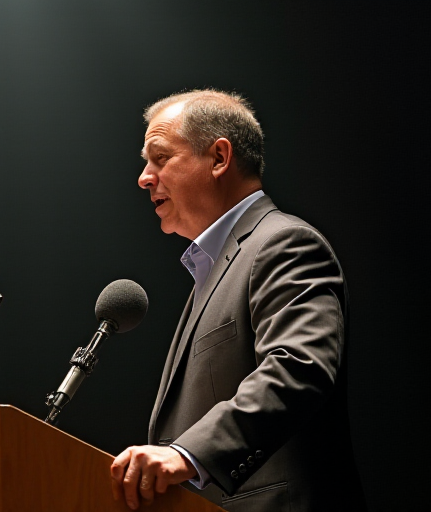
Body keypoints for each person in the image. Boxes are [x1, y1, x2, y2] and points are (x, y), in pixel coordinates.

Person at [110, 90, 364, 512]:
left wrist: (186, 455)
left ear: (219, 158)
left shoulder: (283, 243)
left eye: (159, 157)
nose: (144, 177)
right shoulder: (215, 268)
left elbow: (298, 366)